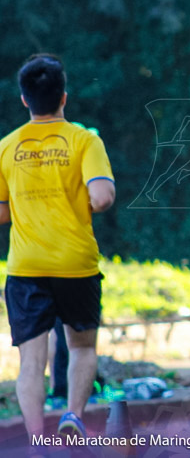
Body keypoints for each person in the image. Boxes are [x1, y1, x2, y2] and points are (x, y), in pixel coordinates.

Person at [0, 54, 116, 444]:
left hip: (26, 266)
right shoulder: (85, 140)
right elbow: (101, 198)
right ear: (64, 97)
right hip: (75, 264)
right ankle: (73, 415)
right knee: (81, 346)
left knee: (32, 363)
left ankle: (36, 439)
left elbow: (0, 211)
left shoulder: (6, 147)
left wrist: (27, 203)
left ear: (24, 100)